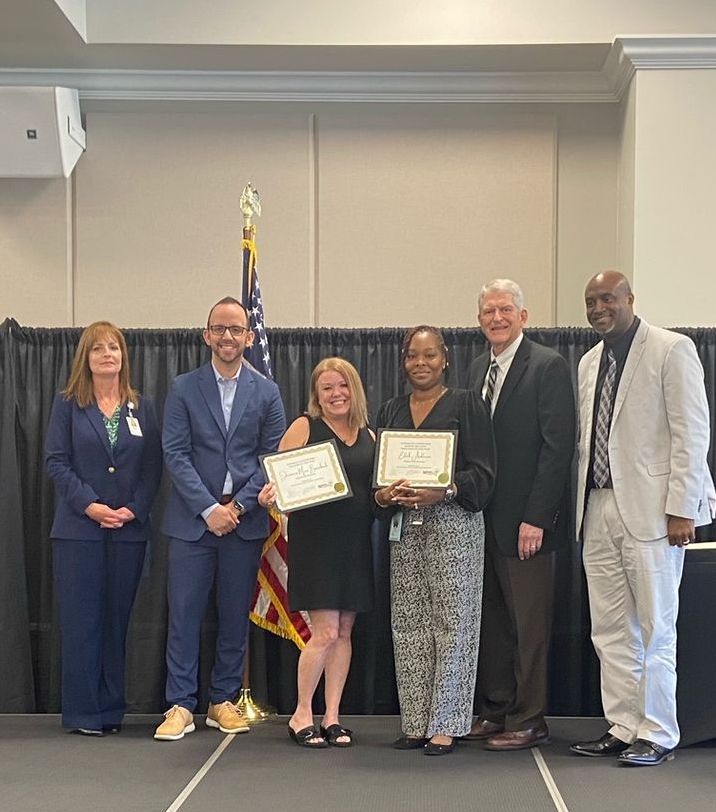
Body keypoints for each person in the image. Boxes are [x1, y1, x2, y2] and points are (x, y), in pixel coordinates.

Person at [570, 271, 716, 766]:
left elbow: (692, 434)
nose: (598, 307)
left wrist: (682, 508)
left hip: (656, 511)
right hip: (598, 506)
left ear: (630, 299)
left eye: (607, 298)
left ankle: (657, 731)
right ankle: (624, 724)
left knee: (657, 626)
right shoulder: (590, 362)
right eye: (591, 301)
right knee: (609, 628)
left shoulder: (671, 349)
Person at [154, 296, 286, 741]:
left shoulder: (267, 392)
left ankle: (222, 700)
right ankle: (179, 705)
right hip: (193, 522)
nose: (227, 337)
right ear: (206, 334)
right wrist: (209, 509)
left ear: (250, 337)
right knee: (184, 615)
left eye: (236, 329)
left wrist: (238, 508)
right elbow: (175, 453)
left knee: (234, 615)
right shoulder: (183, 388)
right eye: (219, 328)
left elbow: (271, 456)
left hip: (244, 522)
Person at [374, 325, 495, 756]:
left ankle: (446, 723)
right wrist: (384, 494)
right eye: (412, 356)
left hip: (454, 528)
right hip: (405, 529)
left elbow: (484, 475)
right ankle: (416, 722)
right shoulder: (390, 410)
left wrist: (442, 490)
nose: (420, 364)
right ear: (403, 361)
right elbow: (377, 481)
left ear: (445, 358)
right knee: (409, 625)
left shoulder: (467, 404)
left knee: (454, 625)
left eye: (429, 355)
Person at [465, 279, 575, 750]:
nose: (497, 318)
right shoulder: (474, 369)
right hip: (480, 521)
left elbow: (557, 448)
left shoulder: (547, 366)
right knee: (492, 622)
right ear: (479, 320)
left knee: (529, 626)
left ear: (524, 317)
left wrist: (538, 517)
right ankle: (496, 708)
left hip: (528, 525)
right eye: (488, 311)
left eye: (505, 309)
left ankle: (529, 718)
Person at [45, 321, 162, 735]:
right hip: (79, 532)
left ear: (123, 357)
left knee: (116, 620)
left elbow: (152, 467)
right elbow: (56, 461)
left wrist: (134, 509)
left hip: (128, 532)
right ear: (87, 359)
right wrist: (90, 506)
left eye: (114, 347)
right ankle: (82, 713)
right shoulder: (68, 405)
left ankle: (111, 711)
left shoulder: (140, 407)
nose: (108, 354)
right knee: (82, 622)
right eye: (98, 349)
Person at [258, 358, 375, 748]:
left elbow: (376, 494)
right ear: (316, 395)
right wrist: (269, 496)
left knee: (344, 632)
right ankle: (301, 713)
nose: (335, 394)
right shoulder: (304, 427)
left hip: (355, 546)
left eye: (342, 386)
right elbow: (278, 484)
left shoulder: (370, 435)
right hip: (316, 546)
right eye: (327, 388)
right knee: (323, 632)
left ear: (353, 389)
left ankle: (333, 717)